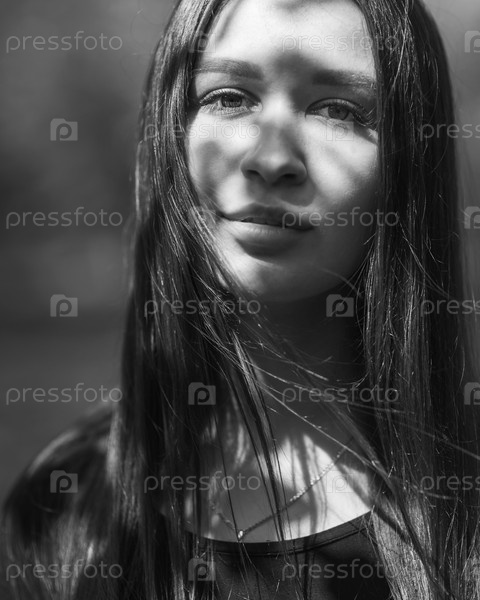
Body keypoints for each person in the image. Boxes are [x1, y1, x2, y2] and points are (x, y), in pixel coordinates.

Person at [2, 0, 480, 598]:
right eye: (229, 98)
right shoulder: (63, 502)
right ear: (173, 134)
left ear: (408, 167)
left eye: (338, 110)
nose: (270, 159)